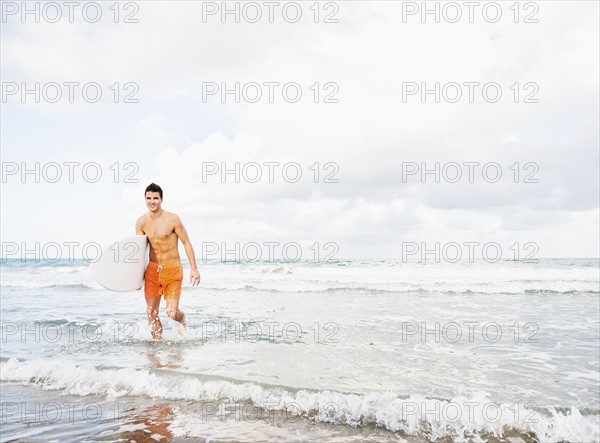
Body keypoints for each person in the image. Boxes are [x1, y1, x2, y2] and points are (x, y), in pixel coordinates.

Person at [136, 183, 201, 339]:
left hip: (172, 269)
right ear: (145, 199)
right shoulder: (141, 222)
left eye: (155, 198)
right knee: (151, 313)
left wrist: (194, 268)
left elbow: (186, 242)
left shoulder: (173, 219)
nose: (152, 201)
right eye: (148, 198)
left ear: (161, 199)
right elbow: (139, 251)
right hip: (152, 271)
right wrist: (136, 278)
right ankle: (157, 350)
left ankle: (182, 318)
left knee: (172, 313)